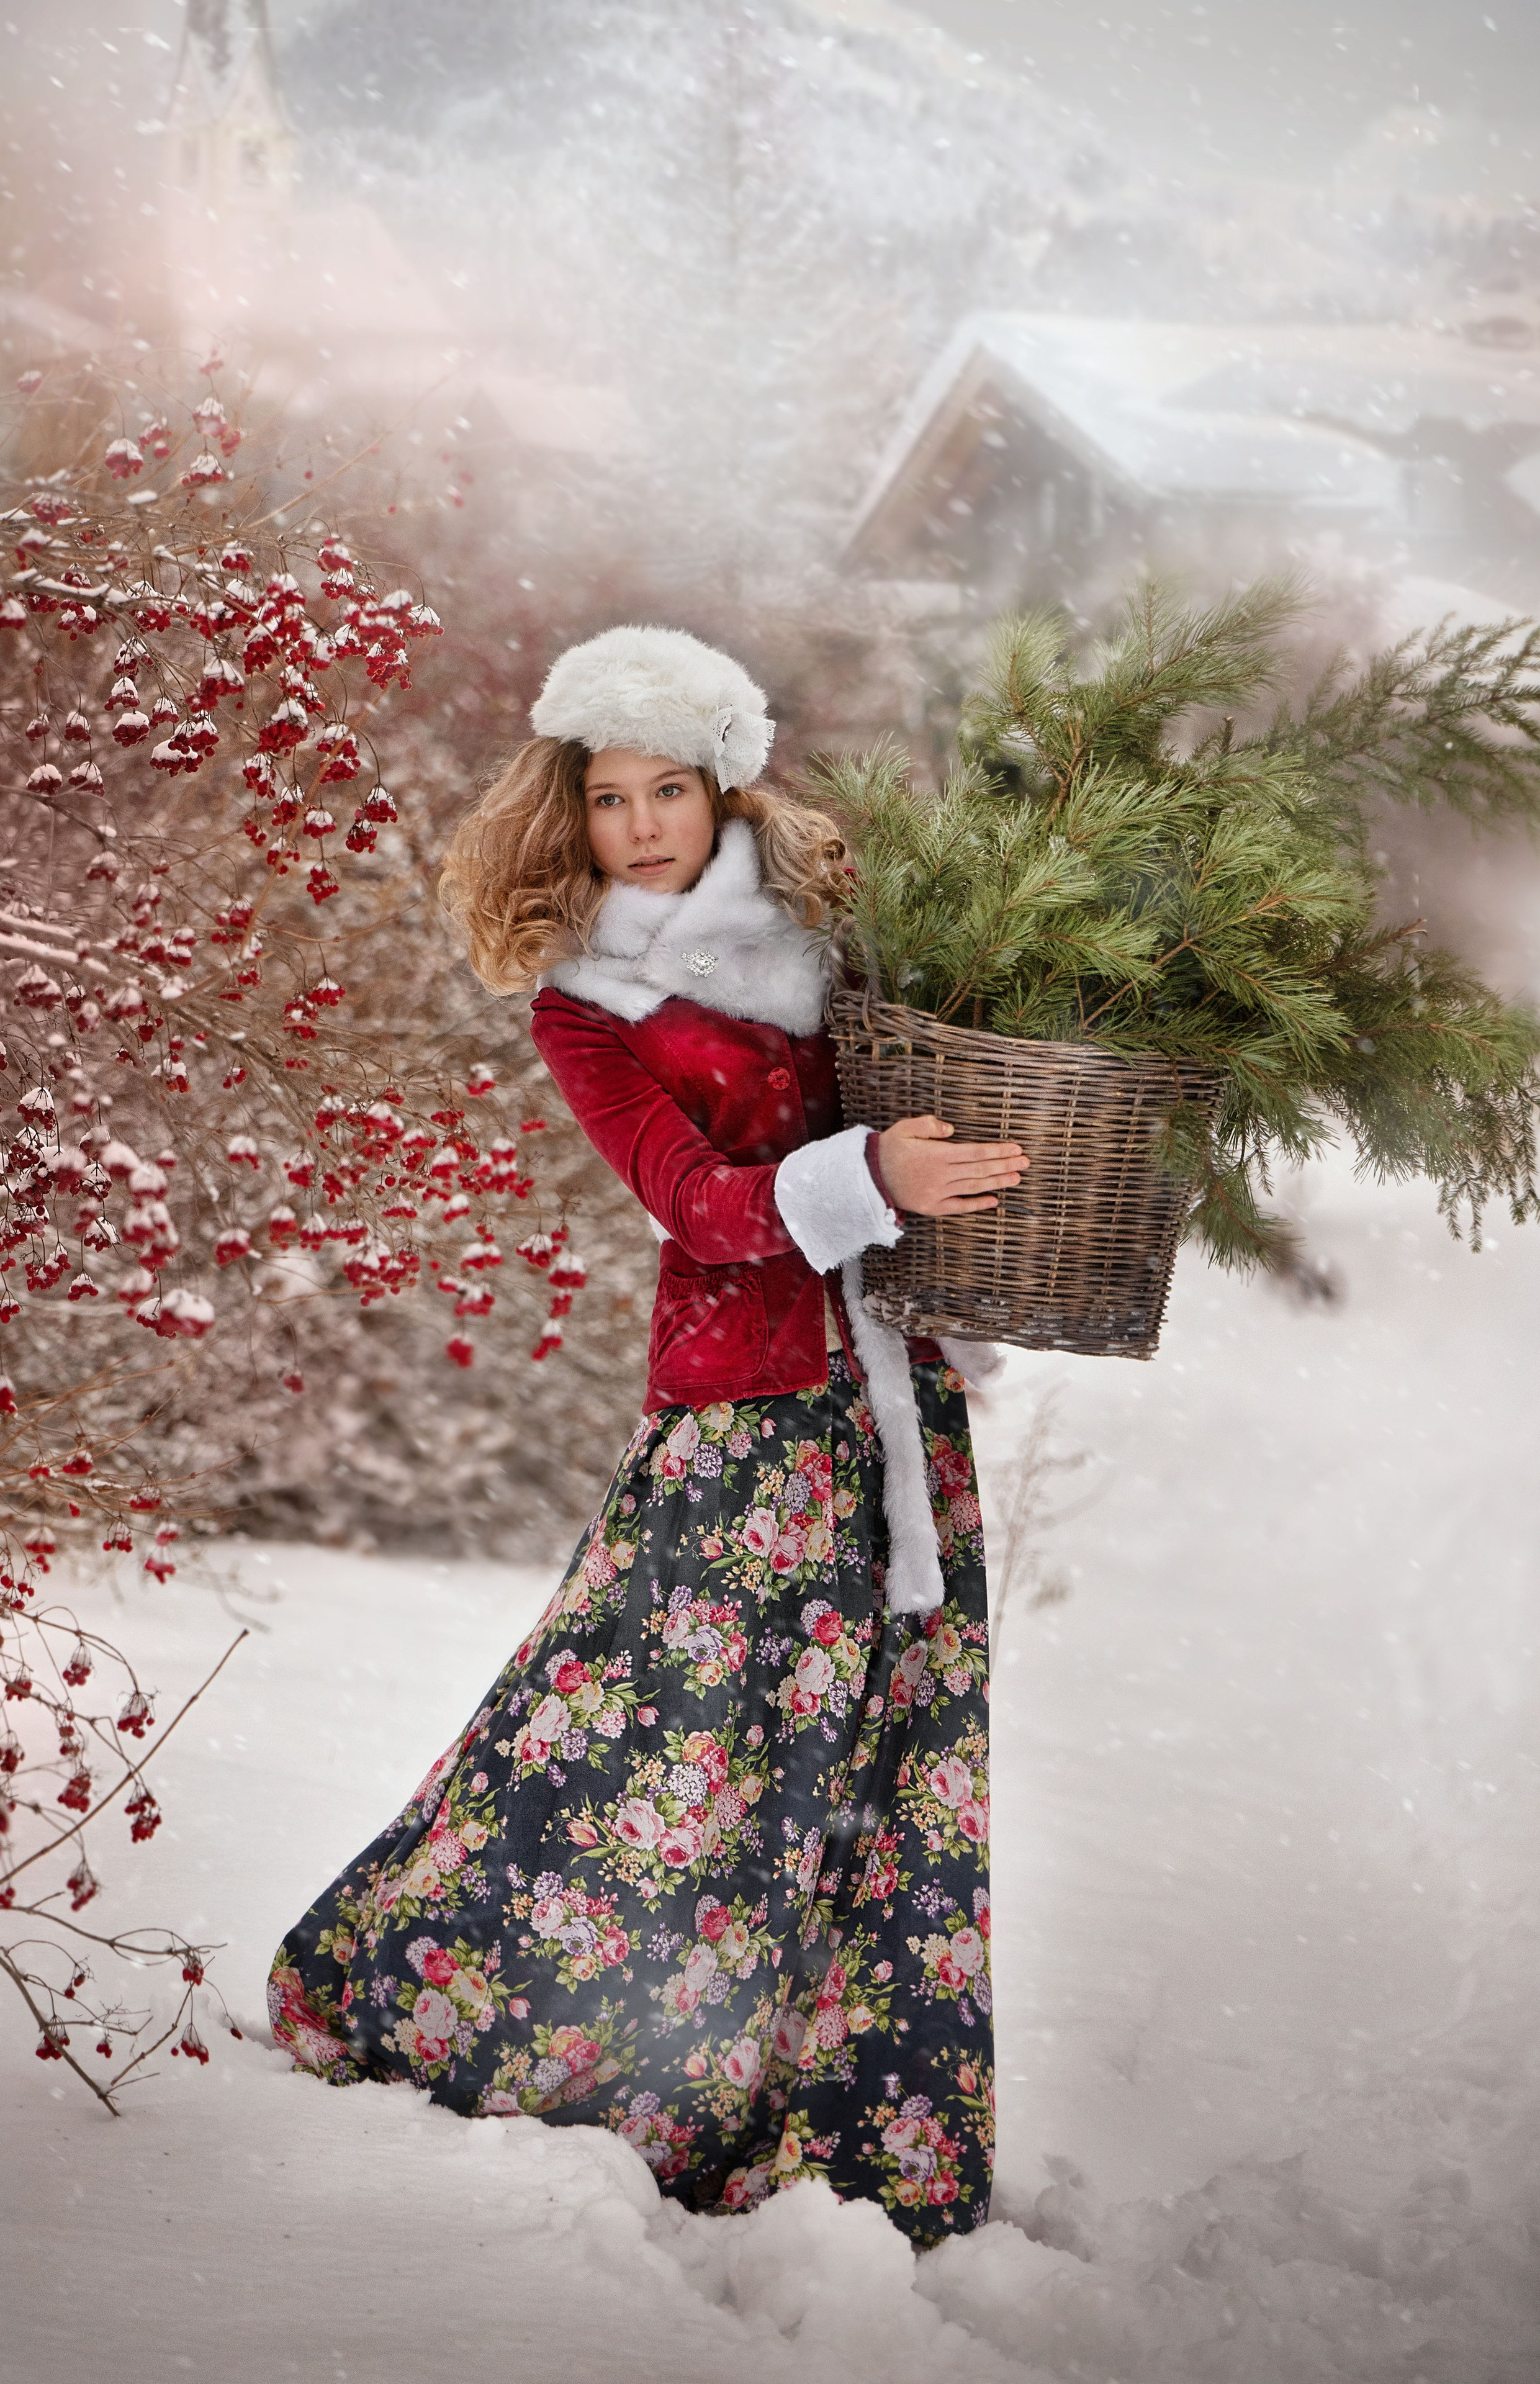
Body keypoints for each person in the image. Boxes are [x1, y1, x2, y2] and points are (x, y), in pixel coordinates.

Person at [266, 626, 1028, 2242]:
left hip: (897, 1415)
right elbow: (695, 1207)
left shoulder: (834, 946)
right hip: (737, 1421)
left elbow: (944, 1092)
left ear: (722, 787)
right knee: (640, 1744)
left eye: (667, 788)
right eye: (607, 798)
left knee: (885, 1766)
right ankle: (522, 2030)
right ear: (573, 812)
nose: (641, 825)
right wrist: (871, 1177)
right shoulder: (588, 1004)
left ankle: (850, 2123)